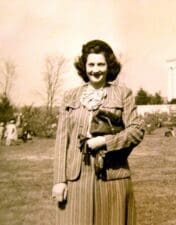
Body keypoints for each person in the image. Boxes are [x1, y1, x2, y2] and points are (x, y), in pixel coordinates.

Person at [51, 39, 144, 225]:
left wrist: (105, 141)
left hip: (112, 176)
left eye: (101, 64)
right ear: (84, 66)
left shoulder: (123, 94)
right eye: (91, 64)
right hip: (76, 180)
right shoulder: (70, 96)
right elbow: (62, 141)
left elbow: (137, 131)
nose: (95, 70)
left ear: (109, 66)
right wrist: (59, 180)